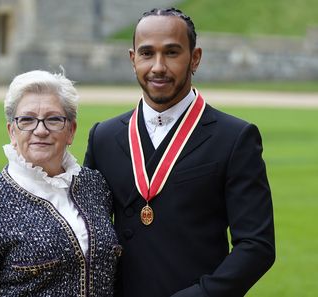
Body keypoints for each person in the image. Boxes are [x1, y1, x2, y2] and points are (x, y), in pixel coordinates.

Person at [84, 7, 275, 297]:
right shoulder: (103, 137)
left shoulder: (235, 137)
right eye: (147, 53)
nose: (158, 66)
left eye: (172, 53)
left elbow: (256, 246)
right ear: (133, 59)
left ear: (195, 58)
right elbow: (87, 230)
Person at [0, 69, 121, 297]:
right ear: (12, 132)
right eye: (27, 120)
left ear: (71, 131)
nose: (40, 130)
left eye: (53, 119)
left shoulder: (94, 186)